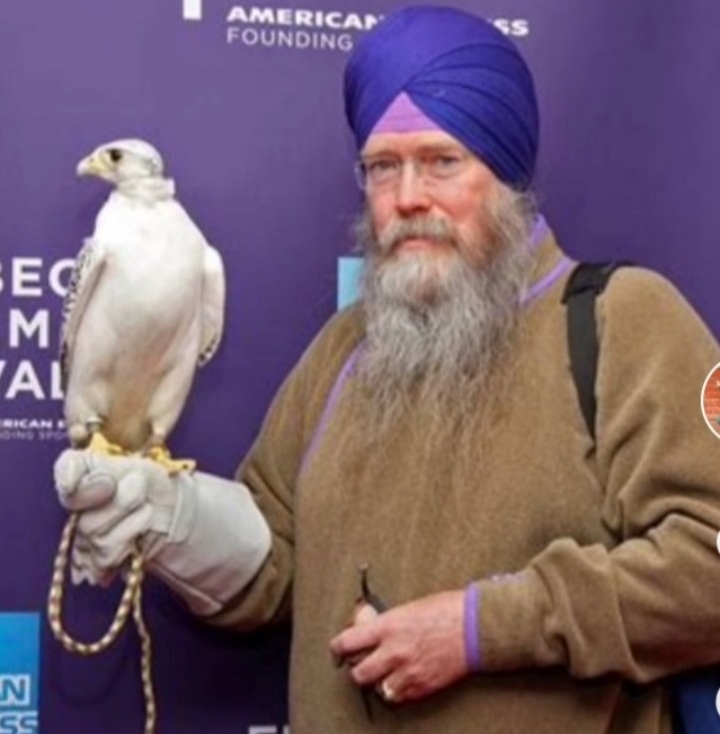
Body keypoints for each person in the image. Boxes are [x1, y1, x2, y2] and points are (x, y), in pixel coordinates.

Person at [53, 5, 720, 733]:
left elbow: (707, 567)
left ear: (506, 175)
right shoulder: (343, 347)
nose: (407, 198)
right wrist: (171, 518)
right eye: (382, 167)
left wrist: (479, 629)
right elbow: (275, 563)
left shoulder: (621, 319)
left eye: (442, 162)